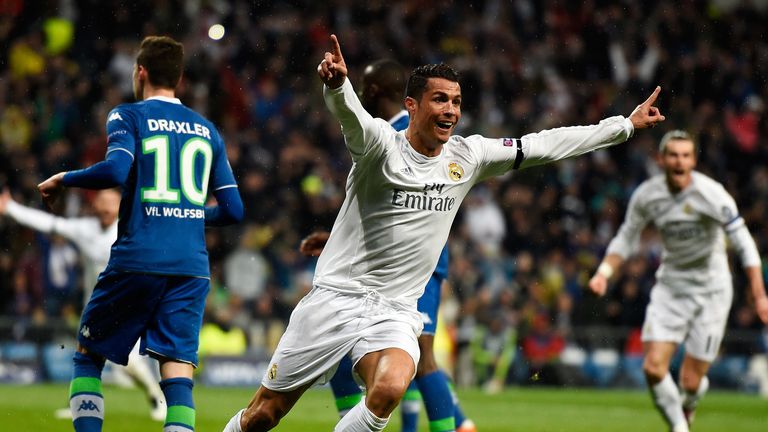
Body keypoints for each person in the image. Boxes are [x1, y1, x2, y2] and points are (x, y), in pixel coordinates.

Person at [223, 34, 663, 432]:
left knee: (392, 385)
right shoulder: (379, 145)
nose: (450, 110)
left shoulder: (467, 156)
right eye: (439, 100)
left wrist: (622, 126)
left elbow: (545, 144)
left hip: (394, 310)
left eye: (455, 100)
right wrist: (338, 86)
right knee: (264, 415)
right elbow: (351, 117)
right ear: (412, 105)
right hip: (335, 298)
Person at [37, 35, 243, 432]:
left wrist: (65, 178)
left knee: (87, 355)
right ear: (180, 78)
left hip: (138, 257)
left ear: (141, 71)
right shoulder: (207, 130)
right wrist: (184, 213)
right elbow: (233, 211)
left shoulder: (127, 116)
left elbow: (115, 171)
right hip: (191, 267)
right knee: (177, 373)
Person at [299, 58, 475, 432]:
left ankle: (457, 425)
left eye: (365, 88)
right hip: (404, 258)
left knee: (420, 357)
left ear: (374, 92)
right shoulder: (403, 131)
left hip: (412, 266)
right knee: (396, 357)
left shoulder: (399, 132)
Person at [588, 130, 768, 432]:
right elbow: (626, 236)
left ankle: (690, 402)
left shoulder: (712, 194)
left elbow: (745, 244)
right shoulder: (647, 195)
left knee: (690, 382)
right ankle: (678, 427)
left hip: (712, 291)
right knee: (653, 367)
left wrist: (759, 294)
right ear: (661, 159)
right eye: (673, 155)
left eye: (685, 155)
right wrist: (604, 272)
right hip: (670, 288)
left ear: (694, 160)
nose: (679, 161)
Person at [0, 187, 167, 421]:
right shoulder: (85, 229)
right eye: (103, 201)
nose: (108, 207)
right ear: (95, 205)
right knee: (86, 357)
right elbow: (50, 223)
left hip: (126, 305)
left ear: (121, 205)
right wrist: (10, 208)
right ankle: (81, 403)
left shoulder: (132, 229)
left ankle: (155, 395)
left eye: (113, 202)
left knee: (124, 362)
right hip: (94, 306)